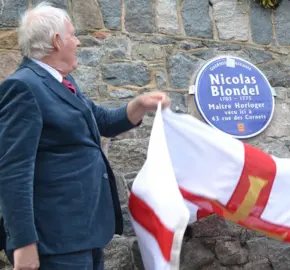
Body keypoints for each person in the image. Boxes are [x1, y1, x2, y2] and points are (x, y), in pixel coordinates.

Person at [0, 2, 171, 269]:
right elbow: (13, 171)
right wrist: (23, 242)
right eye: (73, 34)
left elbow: (101, 120)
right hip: (55, 242)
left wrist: (140, 105)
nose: (78, 42)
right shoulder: (23, 87)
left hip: (84, 233)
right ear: (56, 41)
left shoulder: (62, 82)